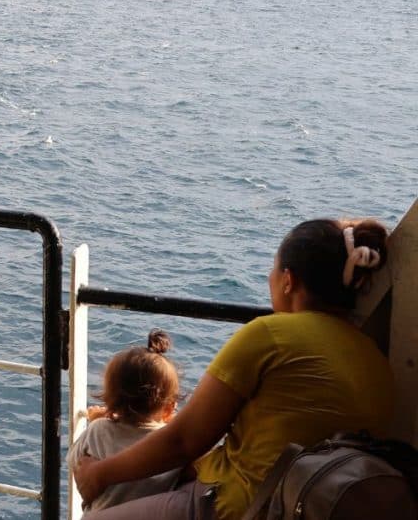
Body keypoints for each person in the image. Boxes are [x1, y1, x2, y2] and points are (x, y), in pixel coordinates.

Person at [74, 218, 394, 520]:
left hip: (245, 506)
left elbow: (184, 440)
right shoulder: (374, 358)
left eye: (273, 269)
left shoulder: (270, 334)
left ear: (287, 280)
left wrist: (98, 474)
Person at [68, 329, 183, 512]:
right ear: (169, 409)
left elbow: (77, 465)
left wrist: (97, 420)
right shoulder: (170, 443)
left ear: (109, 400)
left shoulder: (98, 430)